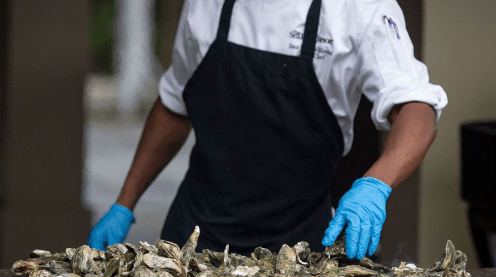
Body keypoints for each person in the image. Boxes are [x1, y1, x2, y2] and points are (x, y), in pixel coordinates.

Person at [88, 0, 447, 259]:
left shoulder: (360, 9)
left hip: (302, 245)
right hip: (195, 238)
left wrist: (375, 185)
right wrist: (124, 203)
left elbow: (416, 107)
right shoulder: (205, 5)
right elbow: (174, 103)